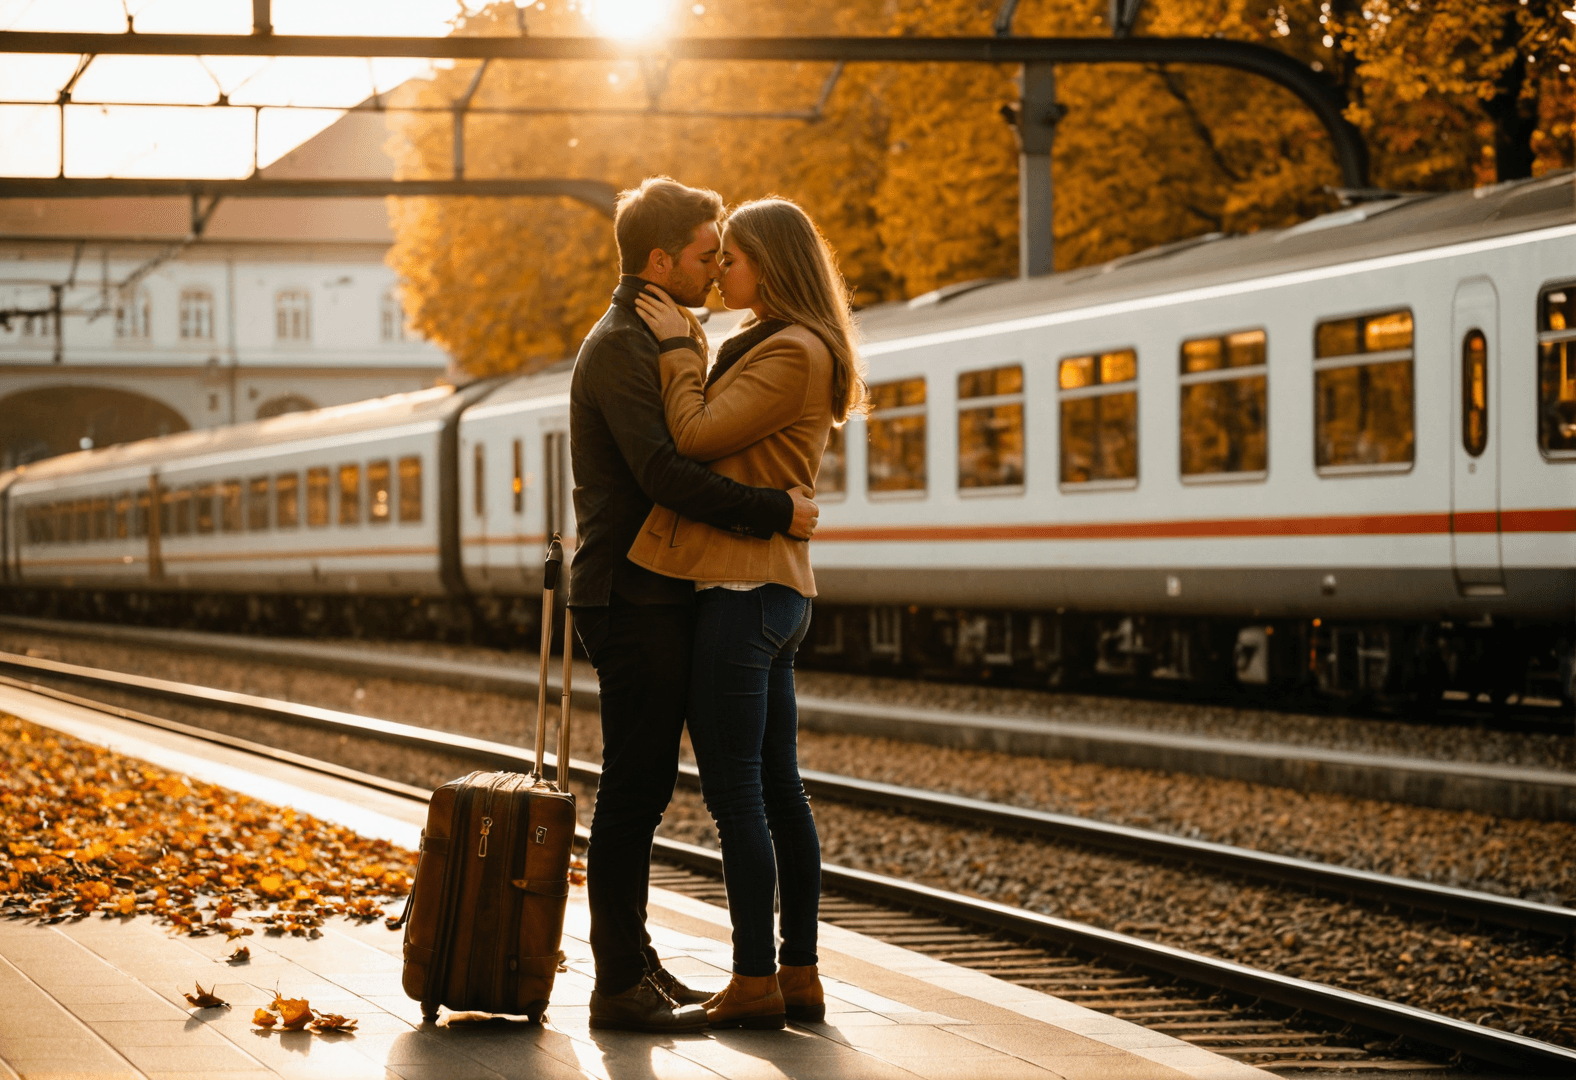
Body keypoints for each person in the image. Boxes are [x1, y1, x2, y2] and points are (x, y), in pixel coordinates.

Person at [568, 177, 819, 1034]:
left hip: (659, 590)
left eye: (726, 256)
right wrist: (776, 511)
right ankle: (615, 985)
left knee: (651, 789)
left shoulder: (662, 336)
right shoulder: (622, 349)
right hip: (627, 594)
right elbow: (669, 472)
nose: (717, 270)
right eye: (708, 254)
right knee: (634, 794)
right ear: (660, 260)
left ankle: (636, 963)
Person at [627, 197, 865, 1030]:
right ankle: (796, 975)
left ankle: (757, 979)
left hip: (742, 589)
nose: (719, 268)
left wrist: (673, 348)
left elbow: (691, 433)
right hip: (771, 586)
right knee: (777, 791)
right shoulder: (782, 344)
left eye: (733, 257)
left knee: (740, 798)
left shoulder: (791, 351)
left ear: (772, 264)